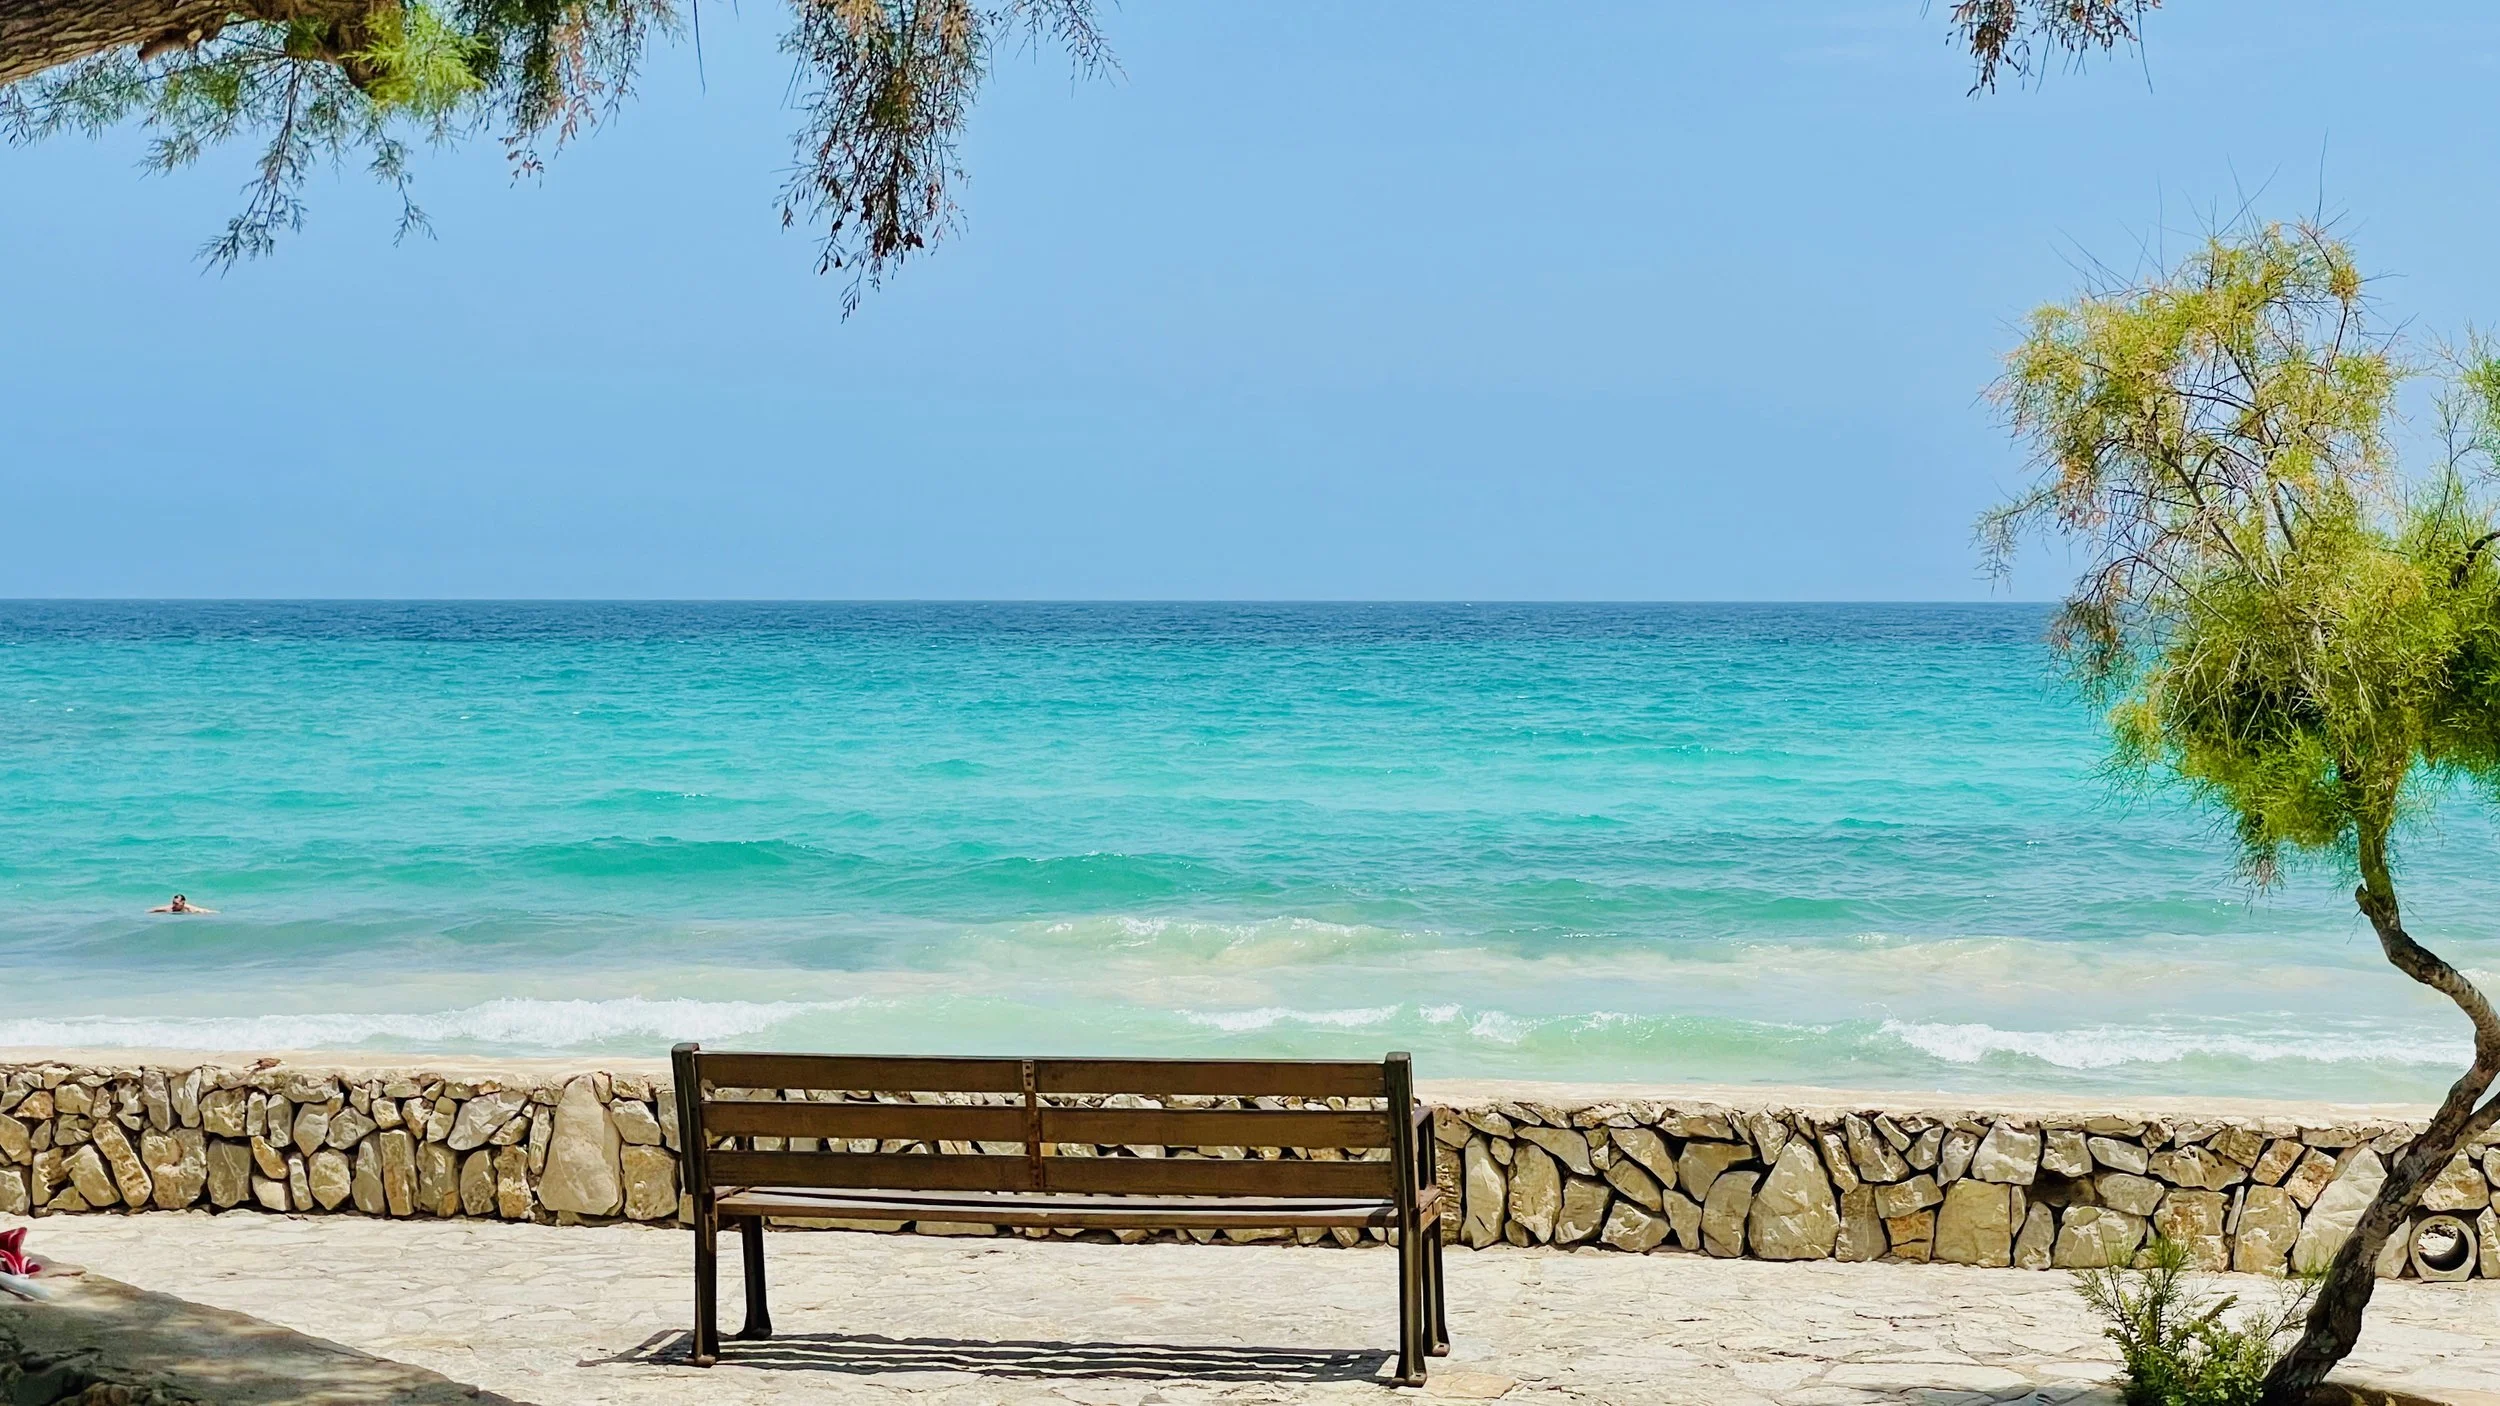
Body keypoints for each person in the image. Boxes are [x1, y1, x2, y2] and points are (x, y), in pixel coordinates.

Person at [147, 894, 215, 914]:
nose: (174, 905)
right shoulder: (170, 908)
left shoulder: (189, 909)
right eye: (173, 903)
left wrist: (213, 912)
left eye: (176, 903)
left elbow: (201, 910)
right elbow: (157, 909)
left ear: (183, 903)